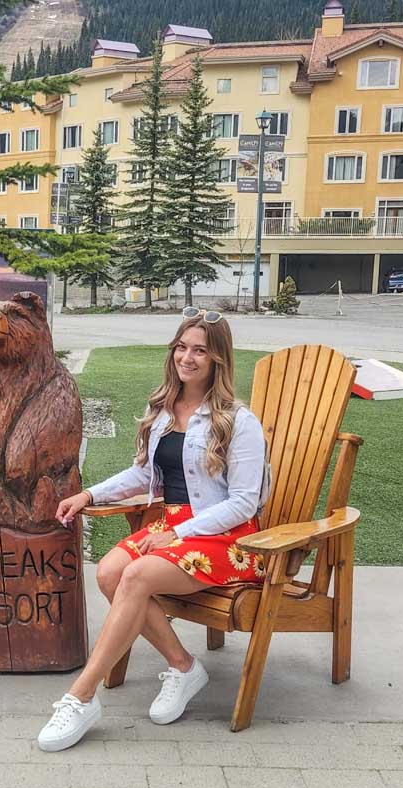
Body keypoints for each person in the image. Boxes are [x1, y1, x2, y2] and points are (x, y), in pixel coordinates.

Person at [36, 308, 269, 752]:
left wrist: (180, 534)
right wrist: (89, 495)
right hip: (173, 526)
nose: (187, 358)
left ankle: (81, 696)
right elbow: (143, 473)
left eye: (200, 351)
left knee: (136, 576)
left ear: (218, 359)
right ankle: (183, 667)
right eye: (182, 347)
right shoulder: (161, 409)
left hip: (229, 537)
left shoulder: (238, 420)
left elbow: (243, 502)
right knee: (109, 572)